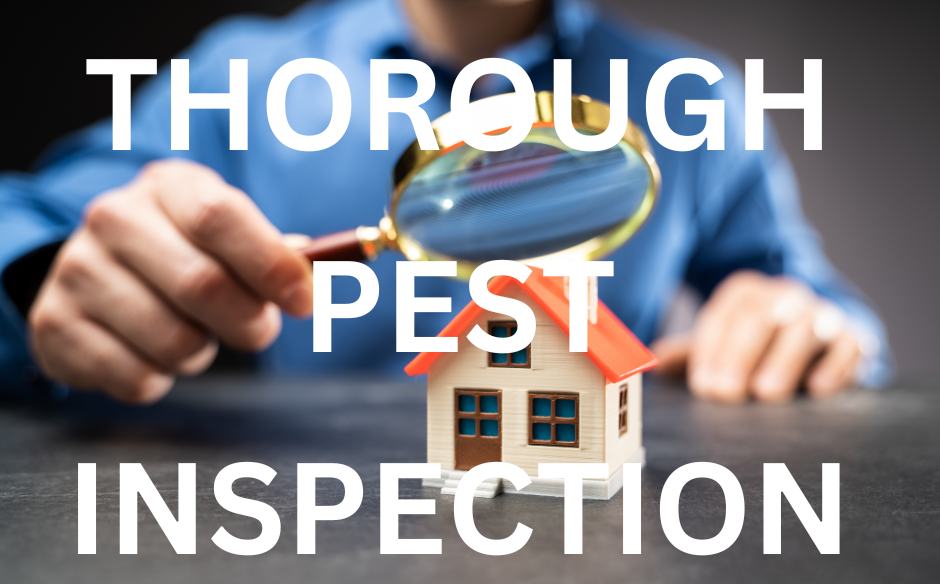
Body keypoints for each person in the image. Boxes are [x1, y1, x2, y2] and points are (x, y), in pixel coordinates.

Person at [0, 0, 892, 404]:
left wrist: (811, 325)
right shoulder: (238, 73)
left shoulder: (693, 97)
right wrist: (41, 276)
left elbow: (821, 305)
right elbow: (31, 217)